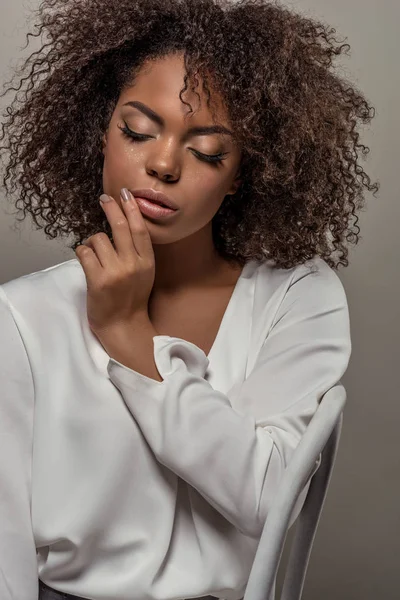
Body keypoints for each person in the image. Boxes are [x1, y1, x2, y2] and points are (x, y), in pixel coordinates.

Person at [0, 0, 379, 599]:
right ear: (98, 131)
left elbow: (268, 498)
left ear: (244, 174)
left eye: (206, 152)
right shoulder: (21, 317)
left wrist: (130, 336)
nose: (162, 163)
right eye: (137, 131)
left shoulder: (296, 297)